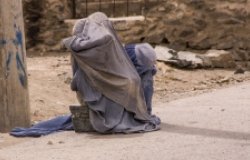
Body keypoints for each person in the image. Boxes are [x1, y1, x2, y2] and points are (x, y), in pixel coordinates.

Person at [63, 12, 160, 133]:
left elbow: (75, 83)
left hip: (107, 96)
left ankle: (143, 113)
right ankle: (143, 114)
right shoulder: (99, 47)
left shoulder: (102, 46)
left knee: (141, 75)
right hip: (102, 97)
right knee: (138, 78)